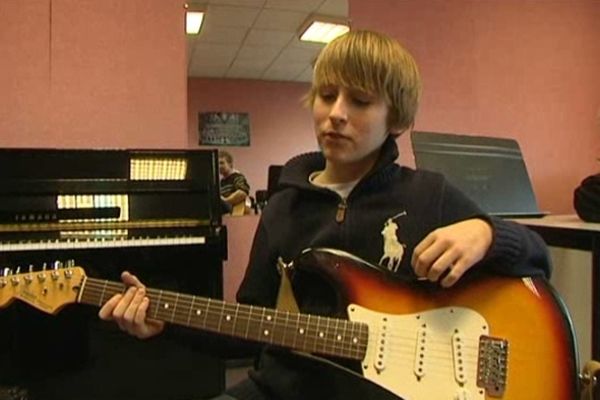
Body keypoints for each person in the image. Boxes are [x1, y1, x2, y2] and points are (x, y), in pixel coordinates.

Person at [99, 30, 550, 400]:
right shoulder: (283, 207)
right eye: (327, 95)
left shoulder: (429, 194)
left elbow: (538, 260)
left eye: (359, 101)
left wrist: (486, 233)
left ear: (396, 118)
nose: (335, 114)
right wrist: (165, 321)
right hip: (284, 389)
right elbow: (250, 325)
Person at [219, 150, 251, 215]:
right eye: (218, 164)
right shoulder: (222, 182)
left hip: (233, 211)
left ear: (230, 164)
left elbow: (242, 193)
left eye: (222, 163)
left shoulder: (237, 177)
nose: (219, 166)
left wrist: (225, 201)